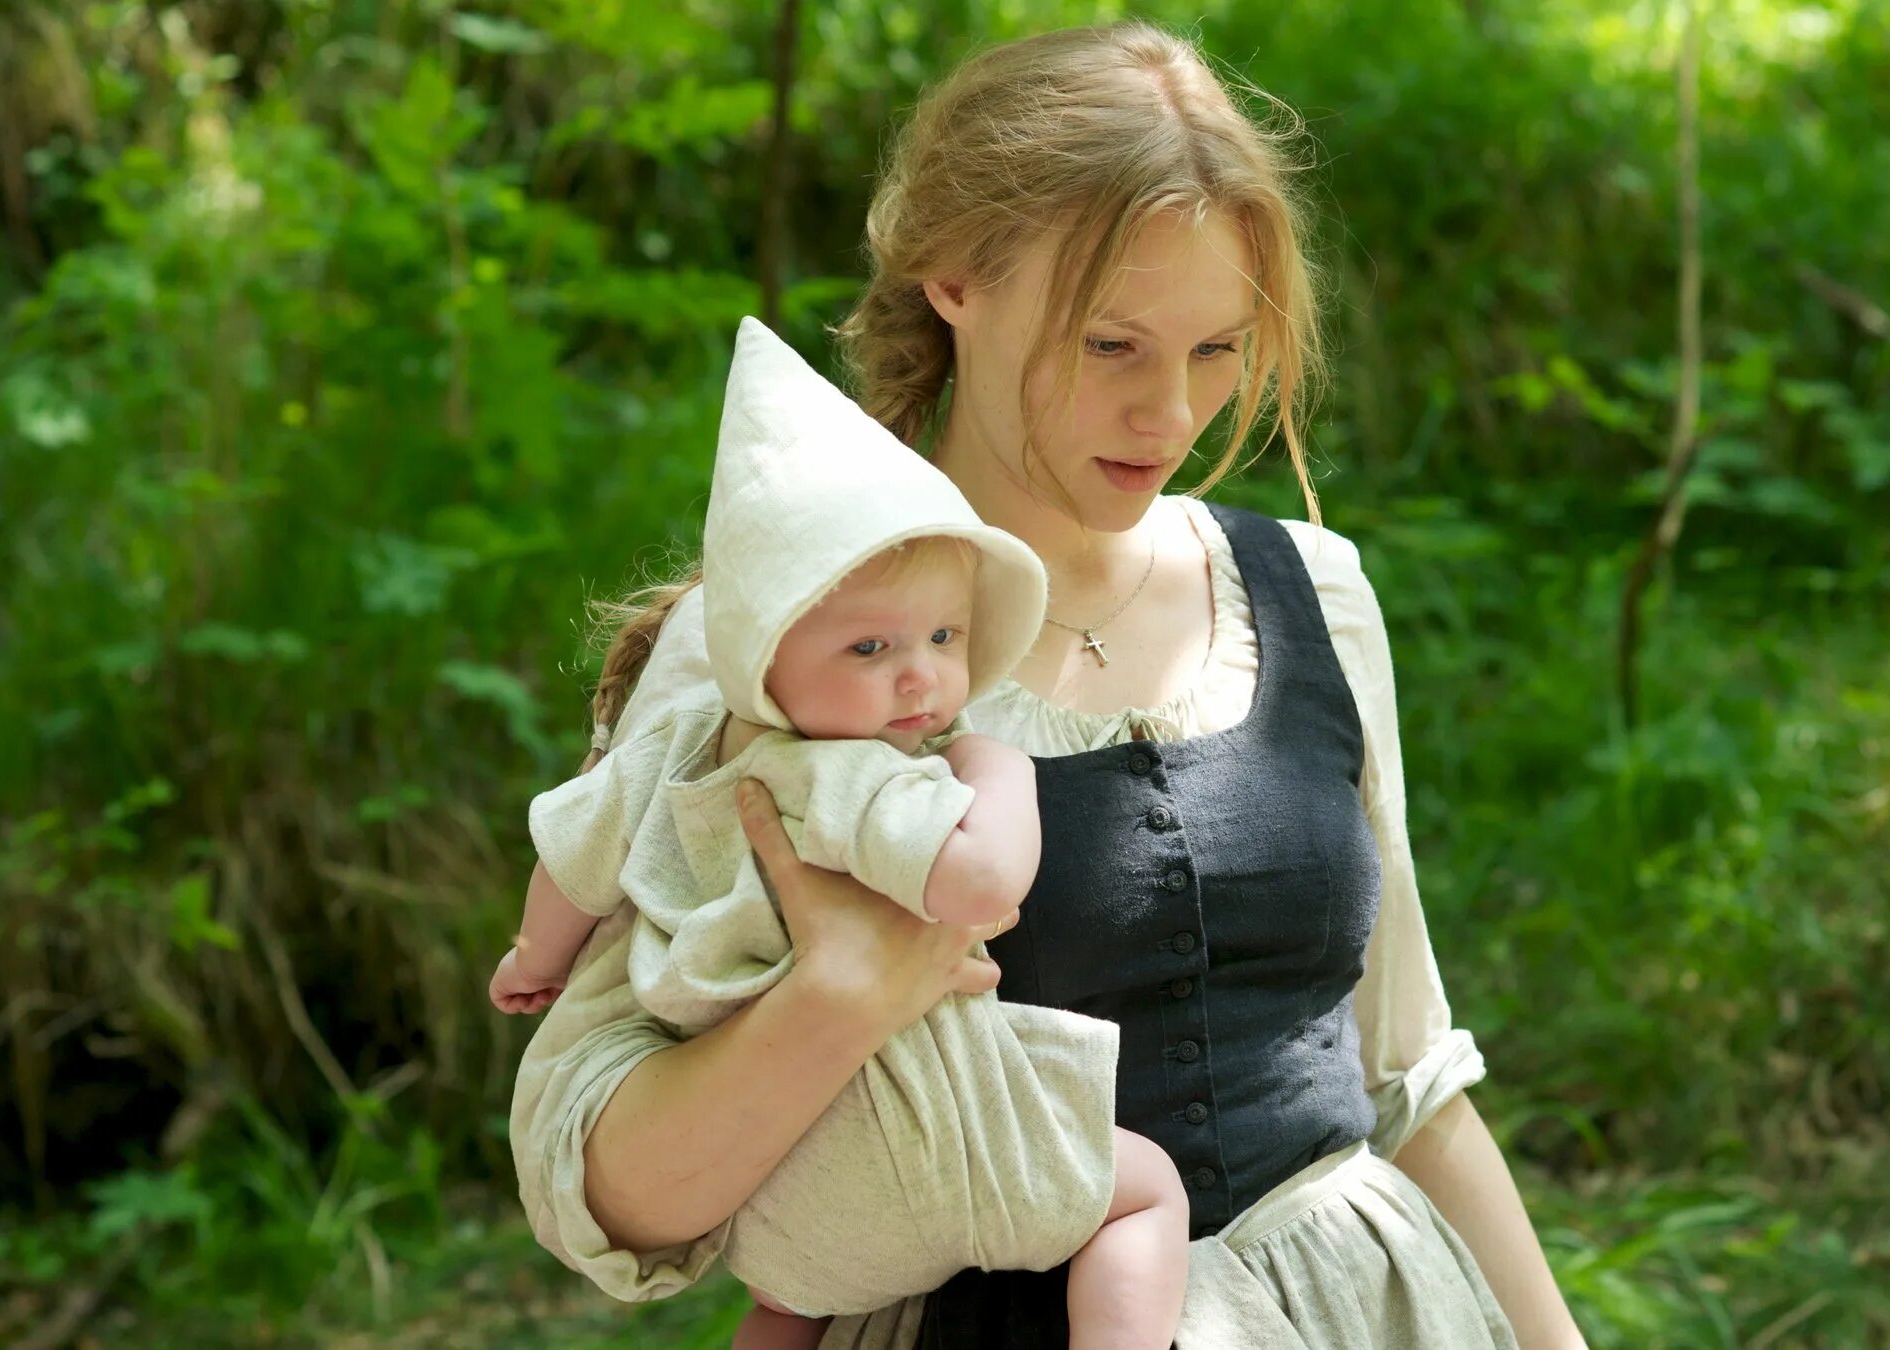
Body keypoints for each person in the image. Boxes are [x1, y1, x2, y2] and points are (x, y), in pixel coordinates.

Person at [509, 20, 1588, 1348]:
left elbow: (1407, 1077)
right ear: (955, 278)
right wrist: (834, 998)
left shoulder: (1315, 594)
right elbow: (606, 1190)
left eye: (1216, 349)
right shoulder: (780, 654)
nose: (1170, 416)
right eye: (1112, 345)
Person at [491, 317, 1188, 1348]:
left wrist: (533, 958)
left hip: (782, 1205)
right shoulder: (851, 774)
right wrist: (998, 773)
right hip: (920, 1146)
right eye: (871, 648)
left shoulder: (676, 745)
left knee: (787, 1307)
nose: (920, 676)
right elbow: (982, 885)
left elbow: (571, 859)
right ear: (765, 654)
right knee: (1148, 1192)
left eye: (944, 636)